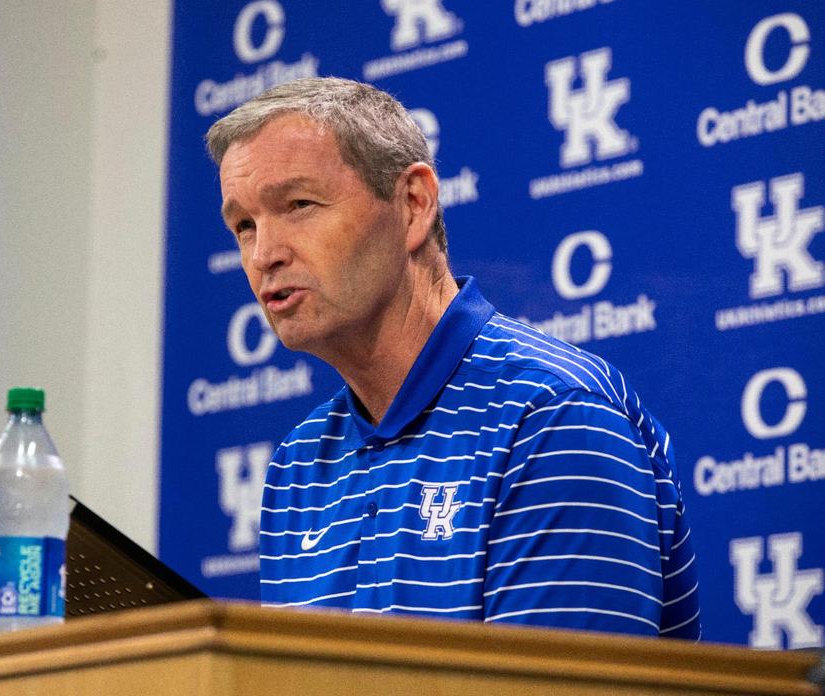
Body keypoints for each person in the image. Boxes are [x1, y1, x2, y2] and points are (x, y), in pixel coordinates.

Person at [207, 77, 701, 639]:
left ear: (413, 206)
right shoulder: (297, 464)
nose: (264, 255)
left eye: (298, 205)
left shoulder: (553, 417)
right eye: (244, 226)